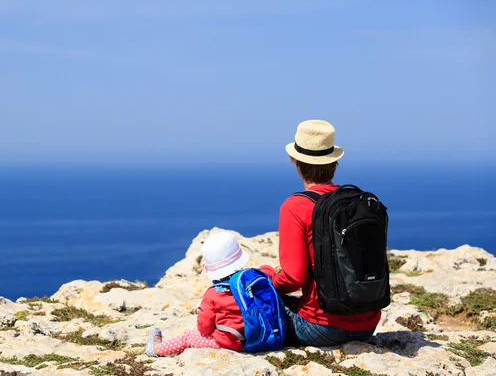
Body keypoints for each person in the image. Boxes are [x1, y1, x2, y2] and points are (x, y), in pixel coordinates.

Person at [260, 120, 381, 347]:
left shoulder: (295, 206)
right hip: (367, 324)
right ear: (334, 162)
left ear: (295, 162)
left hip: (320, 327)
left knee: (252, 302)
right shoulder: (357, 202)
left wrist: (270, 281)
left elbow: (295, 277)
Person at [145, 231, 249, 357]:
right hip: (262, 336)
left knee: (188, 338)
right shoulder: (254, 279)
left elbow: (204, 328)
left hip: (232, 342)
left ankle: (157, 349)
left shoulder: (213, 294)